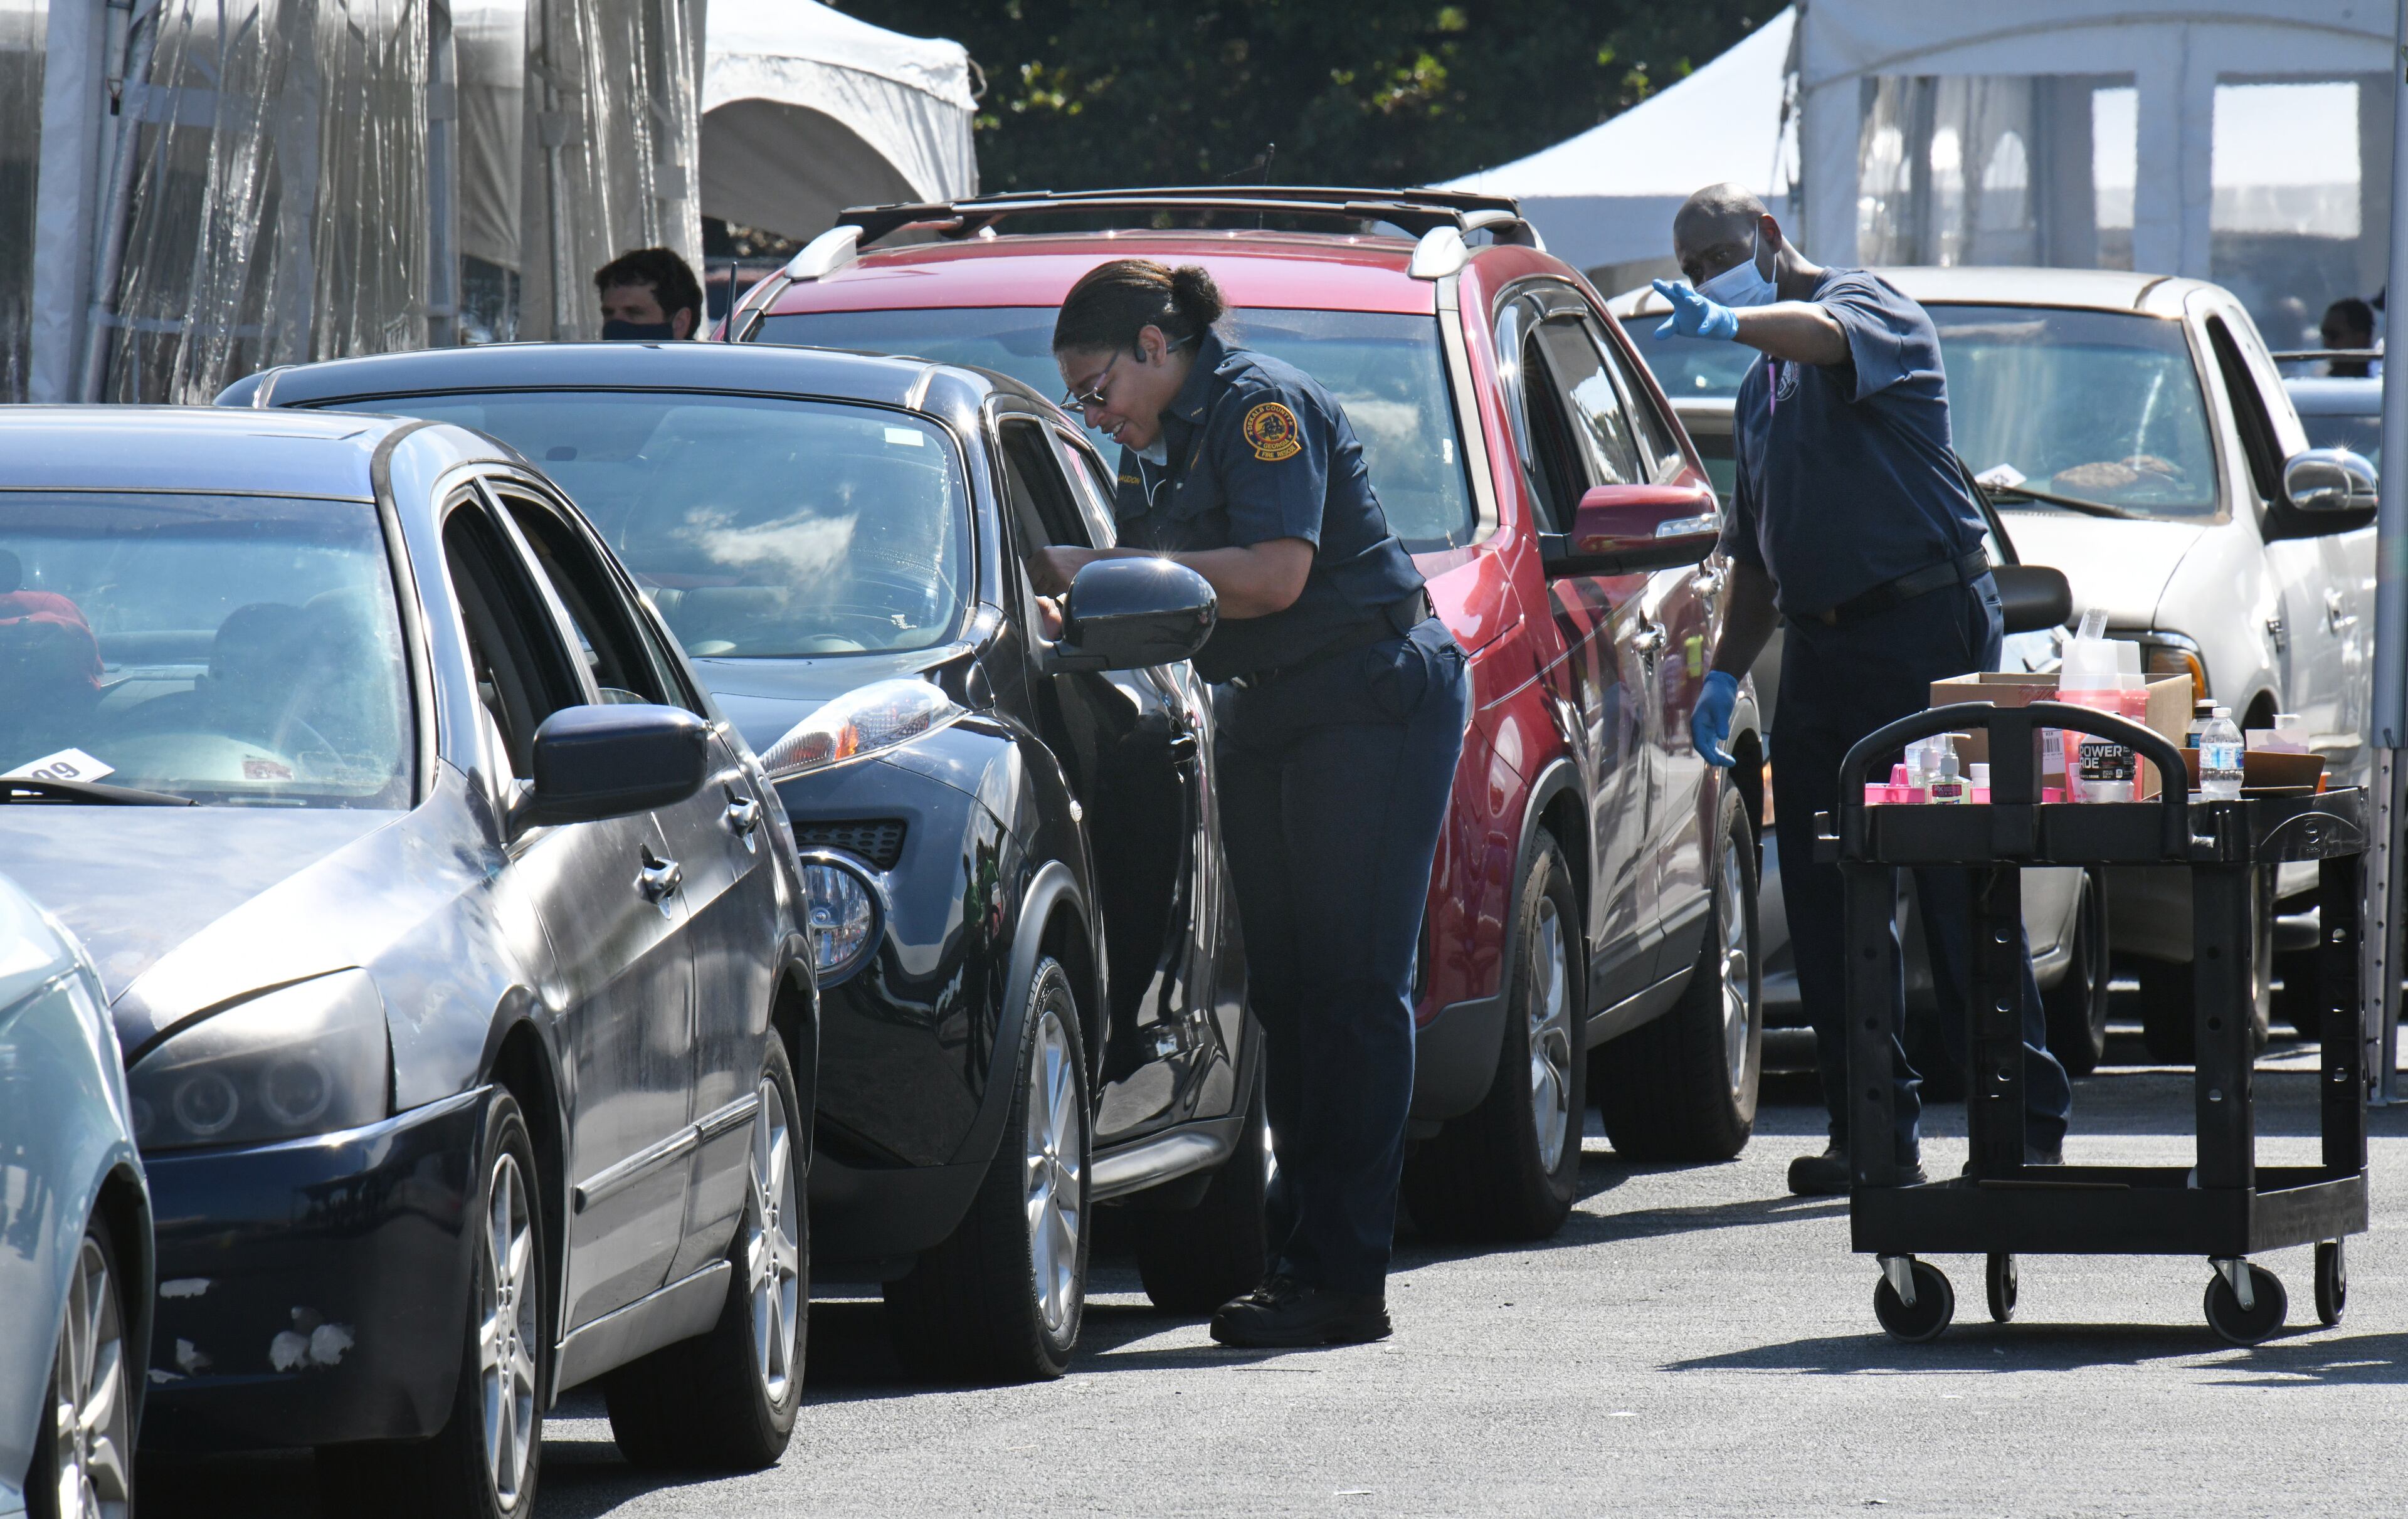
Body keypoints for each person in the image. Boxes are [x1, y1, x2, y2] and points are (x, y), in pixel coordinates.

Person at [1028, 260, 1469, 1347]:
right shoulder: (1156, 443)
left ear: (1152, 345)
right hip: (1269, 709)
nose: (1098, 413)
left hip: (1366, 698)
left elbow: (1274, 574)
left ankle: (1346, 1277)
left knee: (1355, 990)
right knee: (1288, 990)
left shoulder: (1258, 407)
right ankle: (1299, 1256)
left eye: (1099, 387)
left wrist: (1095, 564)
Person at [1656, 184, 2072, 1197]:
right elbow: (1756, 560)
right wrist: (1720, 674)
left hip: (1924, 630)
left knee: (1957, 880)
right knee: (1828, 885)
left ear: (1766, 235)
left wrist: (1733, 317)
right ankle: (1869, 1125)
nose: (1710, 280)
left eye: (1720, 255)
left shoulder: (1867, 305)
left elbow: (1825, 336)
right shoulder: (1762, 395)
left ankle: (2019, 1115)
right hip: (1827, 648)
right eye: (1696, 270)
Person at [593, 248, 704, 340]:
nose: (615, 323)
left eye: (633, 312)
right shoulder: (593, 366)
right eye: (608, 313)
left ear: (680, 323)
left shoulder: (711, 366)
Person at [2320, 297, 2377, 378]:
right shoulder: (2322, 385)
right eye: (2324, 335)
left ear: (2360, 339)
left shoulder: (2378, 382)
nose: (2326, 343)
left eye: (2333, 335)